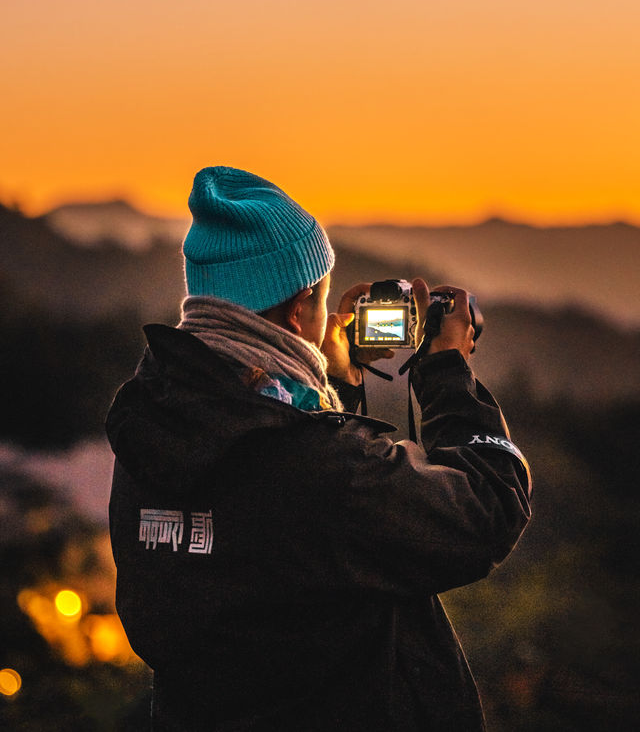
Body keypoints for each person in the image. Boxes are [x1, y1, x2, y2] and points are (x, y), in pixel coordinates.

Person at [107, 166, 531, 731]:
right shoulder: (318, 466)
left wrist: (334, 394)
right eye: (321, 297)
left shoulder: (153, 431)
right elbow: (489, 507)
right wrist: (446, 372)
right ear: (299, 305)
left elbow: (291, 544)